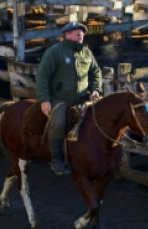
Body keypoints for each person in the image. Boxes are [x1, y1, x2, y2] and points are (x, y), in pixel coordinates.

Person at [35, 22, 102, 175]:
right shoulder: (55, 52)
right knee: (58, 123)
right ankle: (56, 160)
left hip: (83, 98)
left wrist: (96, 90)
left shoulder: (86, 53)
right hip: (60, 98)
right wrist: (44, 100)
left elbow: (96, 73)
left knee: (98, 121)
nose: (81, 36)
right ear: (67, 35)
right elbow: (42, 75)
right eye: (77, 33)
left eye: (82, 34)